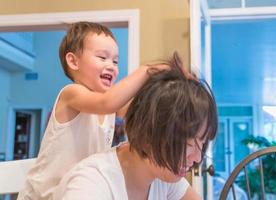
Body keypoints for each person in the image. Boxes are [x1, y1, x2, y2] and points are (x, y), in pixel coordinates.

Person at [18, 21, 168, 200]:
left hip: (80, 192)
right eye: (102, 58)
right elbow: (107, 102)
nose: (111, 66)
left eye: (115, 61)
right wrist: (146, 71)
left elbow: (139, 111)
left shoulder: (112, 105)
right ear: (73, 61)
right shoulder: (71, 94)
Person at [53, 53, 218, 200]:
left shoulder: (164, 175)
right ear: (149, 133)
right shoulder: (90, 184)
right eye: (189, 144)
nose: (198, 158)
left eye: (202, 144)